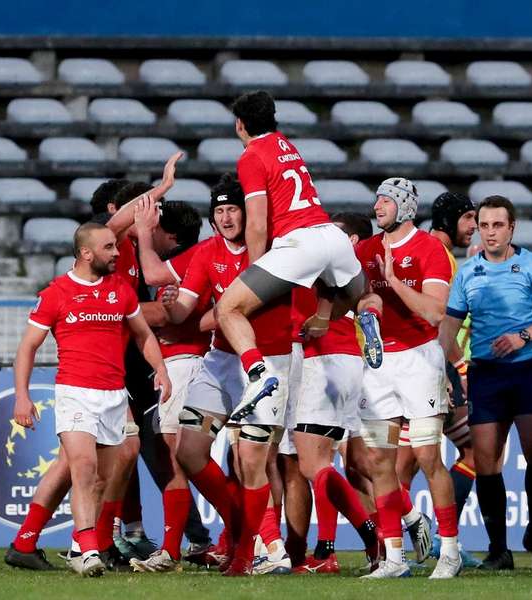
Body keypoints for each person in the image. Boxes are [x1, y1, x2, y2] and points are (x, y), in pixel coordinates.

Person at [8, 222, 170, 577]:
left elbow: (143, 334)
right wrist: (22, 396)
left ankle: (80, 547)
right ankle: (88, 549)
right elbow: (28, 348)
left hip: (113, 394)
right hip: (74, 392)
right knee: (83, 468)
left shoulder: (121, 290)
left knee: (100, 480)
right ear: (86, 253)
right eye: (109, 247)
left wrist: (160, 368)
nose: (116, 253)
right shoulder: (56, 293)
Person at [214, 90, 372, 422]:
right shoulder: (287, 144)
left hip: (298, 243)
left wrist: (254, 270)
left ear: (239, 124)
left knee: (227, 309)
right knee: (359, 292)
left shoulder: (251, 155)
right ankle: (339, 316)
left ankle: (257, 374)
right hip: (332, 235)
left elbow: (256, 221)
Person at [165, 174, 294, 576]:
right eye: (218, 211)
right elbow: (185, 311)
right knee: (187, 451)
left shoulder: (274, 251)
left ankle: (247, 554)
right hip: (221, 361)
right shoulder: (206, 254)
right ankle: (240, 525)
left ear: (247, 212)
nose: (225, 217)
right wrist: (171, 306)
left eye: (232, 209)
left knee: (251, 461)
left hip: (268, 363)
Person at [439, 195, 532, 571]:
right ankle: (499, 549)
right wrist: (440, 367)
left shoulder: (531, 265)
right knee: (487, 460)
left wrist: (522, 336)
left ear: (512, 228)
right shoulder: (467, 272)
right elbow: (450, 324)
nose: (490, 232)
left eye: (498, 225)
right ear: (477, 228)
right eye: (484, 225)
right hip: (487, 373)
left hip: (529, 368)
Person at [353, 178, 462, 580]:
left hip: (420, 361)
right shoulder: (364, 249)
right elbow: (360, 296)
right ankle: (394, 558)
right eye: (377, 198)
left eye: (385, 200)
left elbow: (435, 313)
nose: (377, 205)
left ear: (404, 207)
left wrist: (394, 280)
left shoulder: (429, 249)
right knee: (379, 461)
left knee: (429, 457)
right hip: (378, 366)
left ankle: (449, 551)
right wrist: (369, 305)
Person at [127, 197, 215, 571]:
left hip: (186, 364)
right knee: (178, 456)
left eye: (155, 225)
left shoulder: (185, 261)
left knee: (181, 455)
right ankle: (179, 547)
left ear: (171, 235)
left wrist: (108, 305)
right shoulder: (193, 259)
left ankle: (233, 535)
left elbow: (164, 310)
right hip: (183, 365)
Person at [291, 211, 380, 575]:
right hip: (346, 362)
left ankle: (370, 533)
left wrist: (316, 320)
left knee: (314, 465)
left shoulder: (317, 257)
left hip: (322, 360)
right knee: (356, 464)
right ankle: (333, 547)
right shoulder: (350, 264)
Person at [398, 192, 480, 568]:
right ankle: (434, 540)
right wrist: (453, 368)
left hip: (412, 366)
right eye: (469, 219)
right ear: (451, 219)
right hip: (431, 369)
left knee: (403, 465)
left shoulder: (425, 248)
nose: (474, 228)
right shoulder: (438, 255)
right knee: (463, 455)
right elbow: (437, 319)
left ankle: (402, 545)